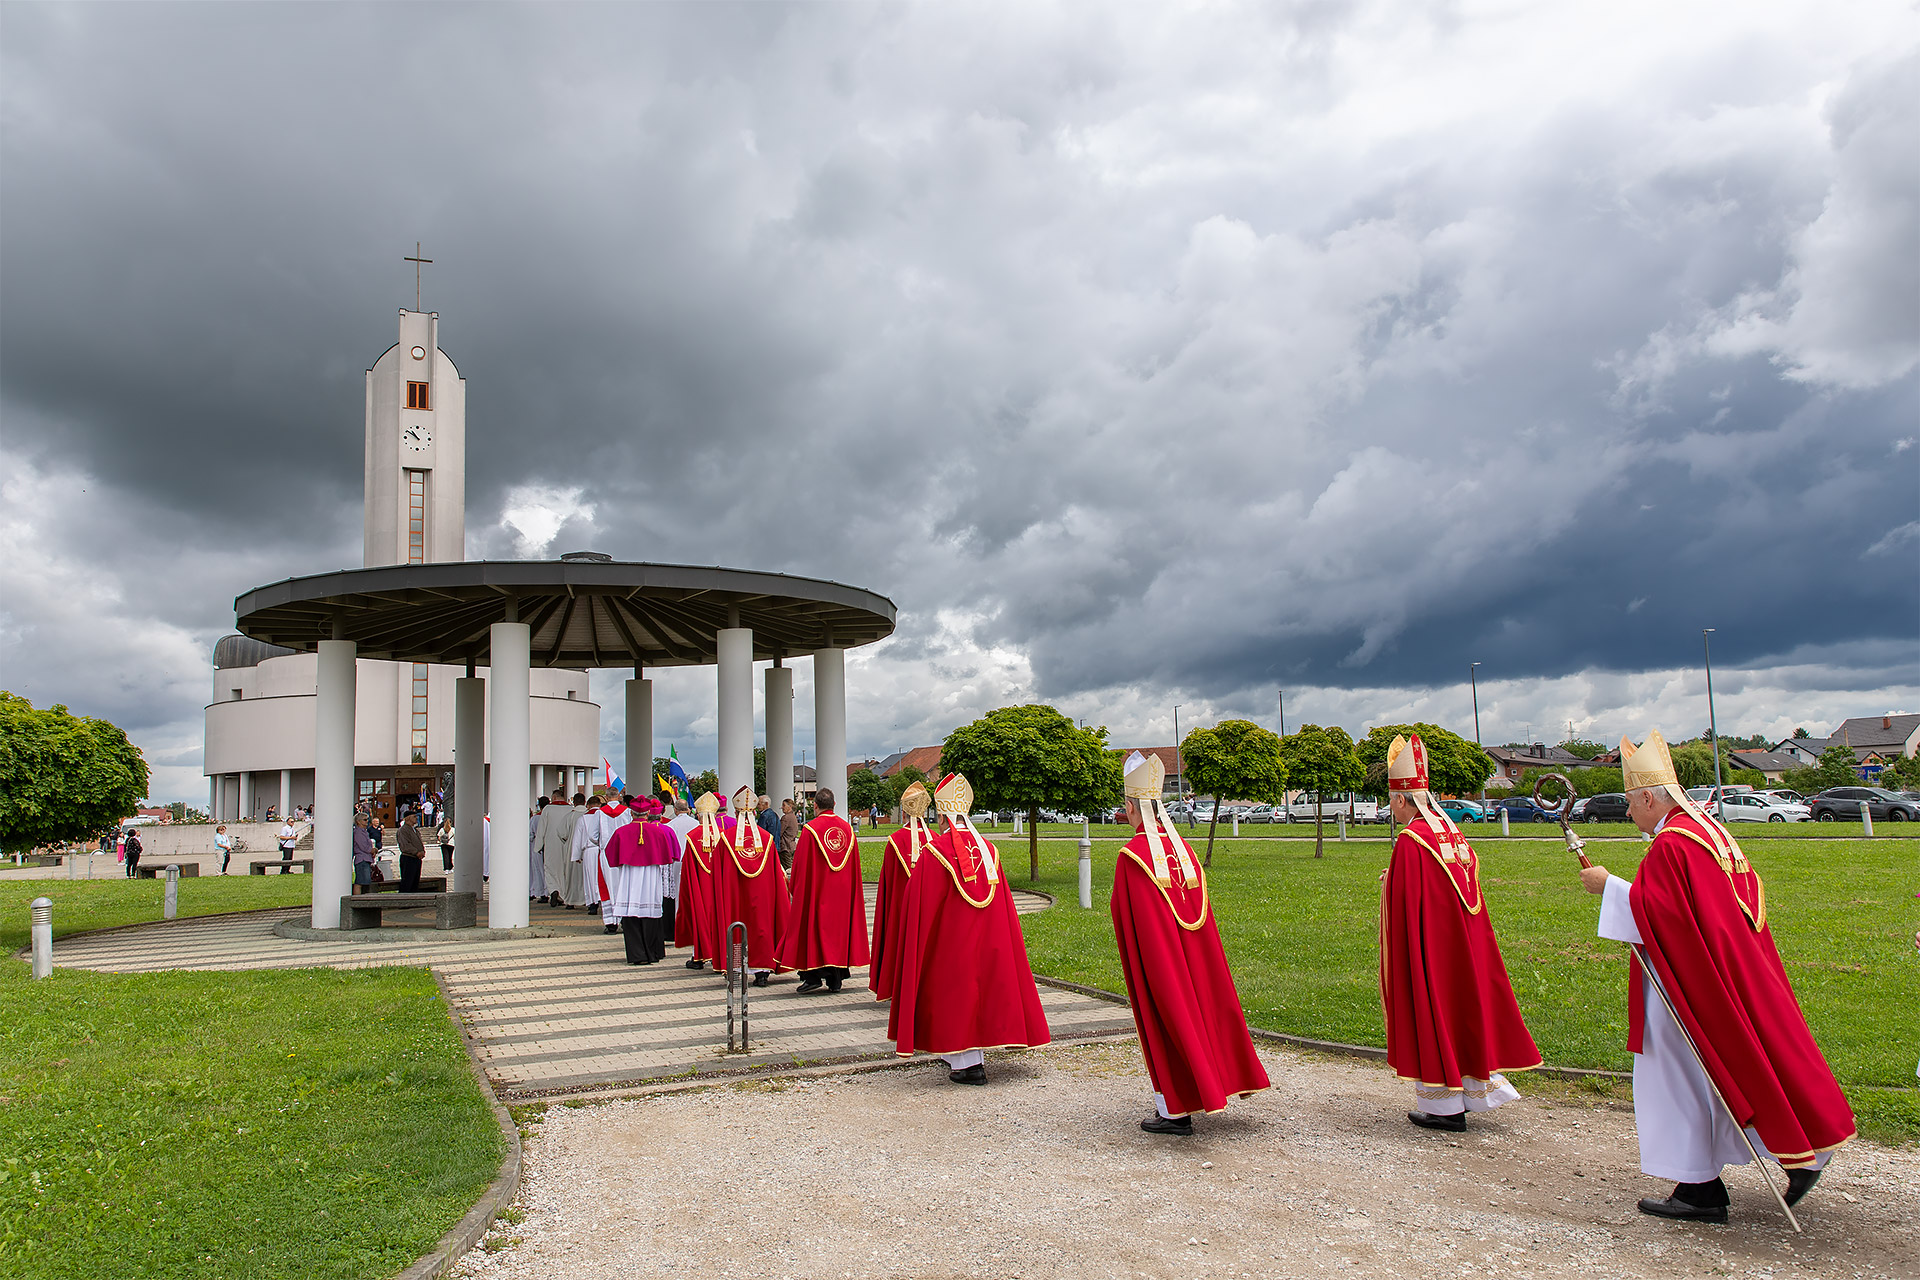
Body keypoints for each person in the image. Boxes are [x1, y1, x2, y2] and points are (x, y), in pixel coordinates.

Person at [1578, 731, 1853, 1223]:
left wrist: (1609, 887)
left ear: (1648, 798)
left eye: (1631, 803)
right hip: (1731, 971)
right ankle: (1798, 1152)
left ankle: (1698, 1187)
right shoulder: (1708, 830)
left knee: (1675, 1072)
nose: (1628, 813)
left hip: (1689, 983)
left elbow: (1665, 915)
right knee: (1751, 1057)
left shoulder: (1671, 844)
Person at [1378, 734, 1539, 1132]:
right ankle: (1470, 1091)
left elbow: (1411, 898)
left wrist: (1391, 882)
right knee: (1461, 1007)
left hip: (1431, 947)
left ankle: (1445, 1106)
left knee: (1434, 1006)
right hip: (1460, 944)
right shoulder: (1449, 832)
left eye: (1392, 801)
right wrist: (1394, 878)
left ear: (1401, 800)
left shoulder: (1412, 839)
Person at [1109, 752, 1272, 1135]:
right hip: (1197, 960)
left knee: (1165, 1017)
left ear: (1131, 808)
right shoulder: (1184, 851)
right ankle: (1216, 1083)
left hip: (1160, 959)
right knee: (1201, 1009)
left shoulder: (1132, 856)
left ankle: (1174, 1111)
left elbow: (1126, 911)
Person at [888, 772, 1051, 1085]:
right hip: (988, 941)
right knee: (981, 990)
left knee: (955, 992)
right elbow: (1002, 905)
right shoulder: (989, 851)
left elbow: (918, 904)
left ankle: (966, 1064)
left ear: (942, 816)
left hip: (951, 941)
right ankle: (969, 1058)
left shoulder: (935, 852)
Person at [778, 786, 868, 994]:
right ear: (834, 804)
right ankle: (836, 980)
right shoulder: (847, 830)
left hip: (817, 892)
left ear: (815, 806)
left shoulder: (811, 830)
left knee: (814, 931)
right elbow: (854, 866)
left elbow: (800, 864)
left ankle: (813, 977)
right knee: (838, 933)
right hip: (843, 894)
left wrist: (795, 887)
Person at [711, 784, 790, 987]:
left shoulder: (726, 839)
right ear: (754, 813)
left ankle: (736, 968)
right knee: (761, 926)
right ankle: (762, 973)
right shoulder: (766, 839)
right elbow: (776, 873)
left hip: (735, 896)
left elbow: (717, 873)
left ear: (736, 813)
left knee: (736, 927)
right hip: (763, 895)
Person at [869, 780, 932, 1001]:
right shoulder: (937, 841)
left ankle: (898, 987)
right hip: (930, 908)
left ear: (904, 812)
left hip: (900, 908)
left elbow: (888, 884)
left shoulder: (895, 842)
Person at [605, 798, 679, 964]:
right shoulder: (658, 832)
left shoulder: (621, 832)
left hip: (629, 876)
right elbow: (668, 856)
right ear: (647, 814)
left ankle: (637, 955)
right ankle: (652, 954)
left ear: (631, 813)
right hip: (650, 877)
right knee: (650, 914)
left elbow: (610, 855)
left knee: (631, 913)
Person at [675, 792, 725, 970]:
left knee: (701, 917)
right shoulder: (723, 835)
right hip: (720, 886)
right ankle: (720, 956)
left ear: (699, 815)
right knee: (720, 918)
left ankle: (700, 956)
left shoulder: (693, 836)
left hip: (701, 886)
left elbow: (688, 867)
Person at [570, 792, 628, 934]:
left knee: (607, 886)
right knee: (623, 885)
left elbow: (592, 835)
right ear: (618, 797)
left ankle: (611, 923)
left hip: (606, 853)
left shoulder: (600, 813)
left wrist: (601, 844)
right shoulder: (627, 812)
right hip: (623, 853)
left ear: (606, 798)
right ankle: (625, 921)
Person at [540, 789, 585, 907]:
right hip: (568, 845)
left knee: (551, 869)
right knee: (565, 871)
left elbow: (541, 828)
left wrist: (538, 845)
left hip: (551, 843)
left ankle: (554, 890)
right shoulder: (570, 810)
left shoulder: (547, 809)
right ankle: (564, 894)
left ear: (554, 798)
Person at [394, 811, 426, 892]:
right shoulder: (403, 830)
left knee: (415, 882)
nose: (416, 818)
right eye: (414, 816)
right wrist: (416, 852)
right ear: (408, 818)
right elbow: (405, 845)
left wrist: (422, 851)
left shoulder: (415, 830)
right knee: (407, 882)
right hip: (408, 858)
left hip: (417, 859)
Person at [352, 821, 377, 893]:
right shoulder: (358, 832)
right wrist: (371, 850)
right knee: (360, 882)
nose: (367, 821)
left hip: (367, 859)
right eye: (365, 819)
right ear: (358, 821)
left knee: (365, 882)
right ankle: (358, 898)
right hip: (362, 859)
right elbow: (363, 846)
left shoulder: (364, 832)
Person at [778, 798, 799, 871]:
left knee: (787, 870)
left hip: (785, 847)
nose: (782, 807)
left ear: (790, 806)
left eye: (784, 805)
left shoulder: (785, 818)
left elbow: (779, 832)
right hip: (792, 846)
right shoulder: (793, 817)